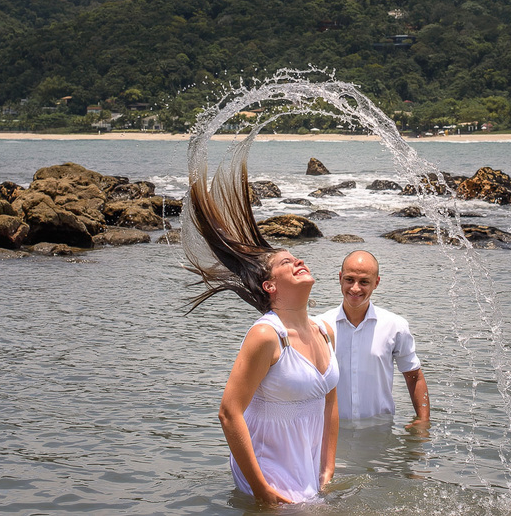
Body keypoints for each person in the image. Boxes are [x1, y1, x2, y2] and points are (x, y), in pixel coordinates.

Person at [181, 147, 339, 504]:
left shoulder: (325, 331)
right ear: (270, 286)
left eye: (296, 257)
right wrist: (261, 489)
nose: (299, 260)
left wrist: (328, 466)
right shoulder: (267, 335)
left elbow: (331, 401)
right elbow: (228, 411)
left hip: (308, 470)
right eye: (287, 262)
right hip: (271, 474)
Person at [320, 250, 430, 425]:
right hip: (331, 431)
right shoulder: (319, 326)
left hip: (380, 430)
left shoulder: (394, 325)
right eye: (349, 279)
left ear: (376, 283)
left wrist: (423, 421)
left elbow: (414, 375)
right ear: (340, 278)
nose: (355, 288)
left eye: (364, 282)